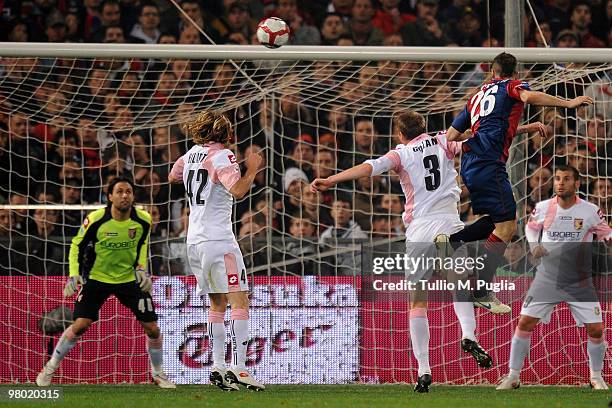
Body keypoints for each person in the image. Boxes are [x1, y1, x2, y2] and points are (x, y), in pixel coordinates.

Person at [311, 110, 492, 393]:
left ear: (399, 133)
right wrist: (527, 126)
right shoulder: (445, 140)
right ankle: (468, 334)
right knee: (460, 284)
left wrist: (330, 180)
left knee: (418, 302)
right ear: (424, 127)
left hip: (419, 229)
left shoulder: (401, 154)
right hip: (449, 222)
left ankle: (423, 369)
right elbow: (483, 138)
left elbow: (368, 168)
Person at [447, 52, 593, 312]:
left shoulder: (476, 97)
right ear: (515, 74)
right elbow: (528, 96)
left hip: (470, 164)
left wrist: (524, 128)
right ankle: (481, 290)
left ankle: (454, 240)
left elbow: (452, 135)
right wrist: (568, 103)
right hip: (490, 164)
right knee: (507, 227)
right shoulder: (513, 85)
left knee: (497, 221)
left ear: (492, 72)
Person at [36, 177, 175, 389]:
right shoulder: (96, 219)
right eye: (119, 191)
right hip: (97, 278)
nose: (124, 195)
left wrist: (141, 270)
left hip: (129, 279)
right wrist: (74, 275)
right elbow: (76, 245)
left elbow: (142, 245)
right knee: (81, 325)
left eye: (128, 191)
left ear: (133, 196)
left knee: (153, 328)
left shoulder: (144, 219)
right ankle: (50, 368)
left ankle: (158, 374)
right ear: (110, 196)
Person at [168, 110, 264, 391]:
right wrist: (254, 167)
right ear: (226, 134)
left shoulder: (190, 155)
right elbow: (238, 190)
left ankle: (219, 367)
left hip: (194, 242)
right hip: (219, 240)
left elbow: (172, 176)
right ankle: (241, 369)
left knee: (217, 305)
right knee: (240, 302)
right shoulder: (224, 155)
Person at [497, 166, 610, 390]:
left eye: (566, 179)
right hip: (547, 278)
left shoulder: (590, 210)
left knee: (596, 329)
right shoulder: (543, 207)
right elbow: (530, 228)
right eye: (558, 179)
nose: (560, 183)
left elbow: (606, 232)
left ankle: (596, 377)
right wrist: (534, 245)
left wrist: (608, 238)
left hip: (579, 280)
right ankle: (513, 376)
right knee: (525, 322)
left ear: (577, 184)